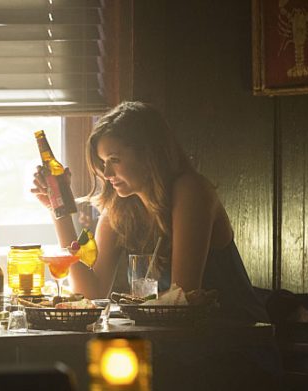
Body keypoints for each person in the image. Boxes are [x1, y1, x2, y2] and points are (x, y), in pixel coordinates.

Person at [32, 101, 267, 323]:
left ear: (149, 154)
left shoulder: (191, 191)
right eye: (103, 161)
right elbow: (91, 294)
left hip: (233, 335)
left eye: (114, 159)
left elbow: (180, 298)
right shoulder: (120, 209)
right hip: (173, 339)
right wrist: (58, 211)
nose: (106, 172)